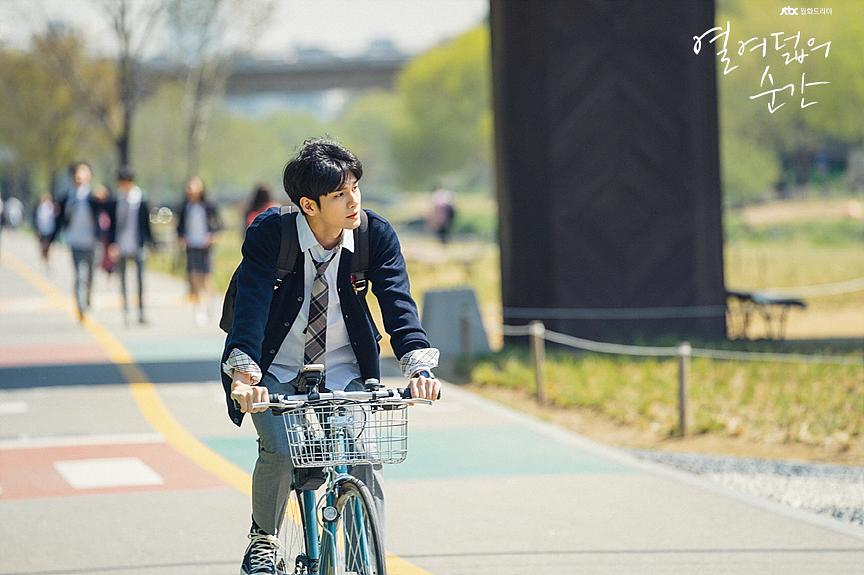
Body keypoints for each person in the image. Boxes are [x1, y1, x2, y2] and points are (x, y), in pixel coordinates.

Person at [221, 139, 441, 575]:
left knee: (364, 455)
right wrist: (244, 377)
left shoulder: (374, 235)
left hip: (344, 365)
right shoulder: (271, 234)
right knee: (281, 448)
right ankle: (264, 539)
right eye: (339, 194)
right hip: (272, 366)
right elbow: (251, 306)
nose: (353, 200)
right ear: (309, 205)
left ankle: (366, 560)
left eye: (355, 187)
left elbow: (398, 304)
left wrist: (419, 366)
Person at [54, 162, 114, 322]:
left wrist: (105, 195)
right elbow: (59, 221)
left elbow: (110, 207)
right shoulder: (67, 198)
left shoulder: (93, 197)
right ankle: (80, 306)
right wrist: (52, 241)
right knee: (80, 275)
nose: (80, 177)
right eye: (77, 174)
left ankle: (87, 299)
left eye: (84, 173)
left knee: (91, 275)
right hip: (75, 242)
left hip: (93, 242)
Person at [176, 175, 222, 325]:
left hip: (205, 245)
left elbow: (218, 223)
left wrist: (212, 236)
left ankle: (209, 306)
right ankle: (198, 308)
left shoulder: (208, 205)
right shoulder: (185, 206)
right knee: (194, 277)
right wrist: (181, 237)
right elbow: (179, 226)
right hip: (191, 245)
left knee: (206, 277)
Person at [111, 167, 153, 325]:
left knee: (140, 280)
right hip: (121, 244)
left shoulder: (140, 198)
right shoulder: (117, 199)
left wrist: (150, 243)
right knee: (122, 279)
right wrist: (112, 244)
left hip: (138, 244)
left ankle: (141, 312)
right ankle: (126, 311)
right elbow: (112, 224)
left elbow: (146, 224)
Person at [32, 193, 58, 270]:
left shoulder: (52, 207)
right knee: (42, 247)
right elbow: (36, 219)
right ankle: (43, 260)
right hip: (41, 230)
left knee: (48, 247)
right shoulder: (39, 208)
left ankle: (47, 261)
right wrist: (36, 230)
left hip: (50, 230)